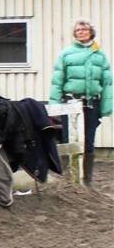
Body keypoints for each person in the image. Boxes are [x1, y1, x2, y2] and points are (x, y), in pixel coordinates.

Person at [50, 19, 112, 184]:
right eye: (78, 30)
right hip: (70, 102)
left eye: (84, 29)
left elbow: (107, 83)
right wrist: (55, 106)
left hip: (91, 104)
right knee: (68, 140)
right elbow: (57, 80)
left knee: (89, 141)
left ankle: (87, 181)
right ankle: (68, 180)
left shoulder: (100, 55)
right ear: (75, 34)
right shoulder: (66, 54)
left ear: (91, 32)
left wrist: (106, 107)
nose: (81, 32)